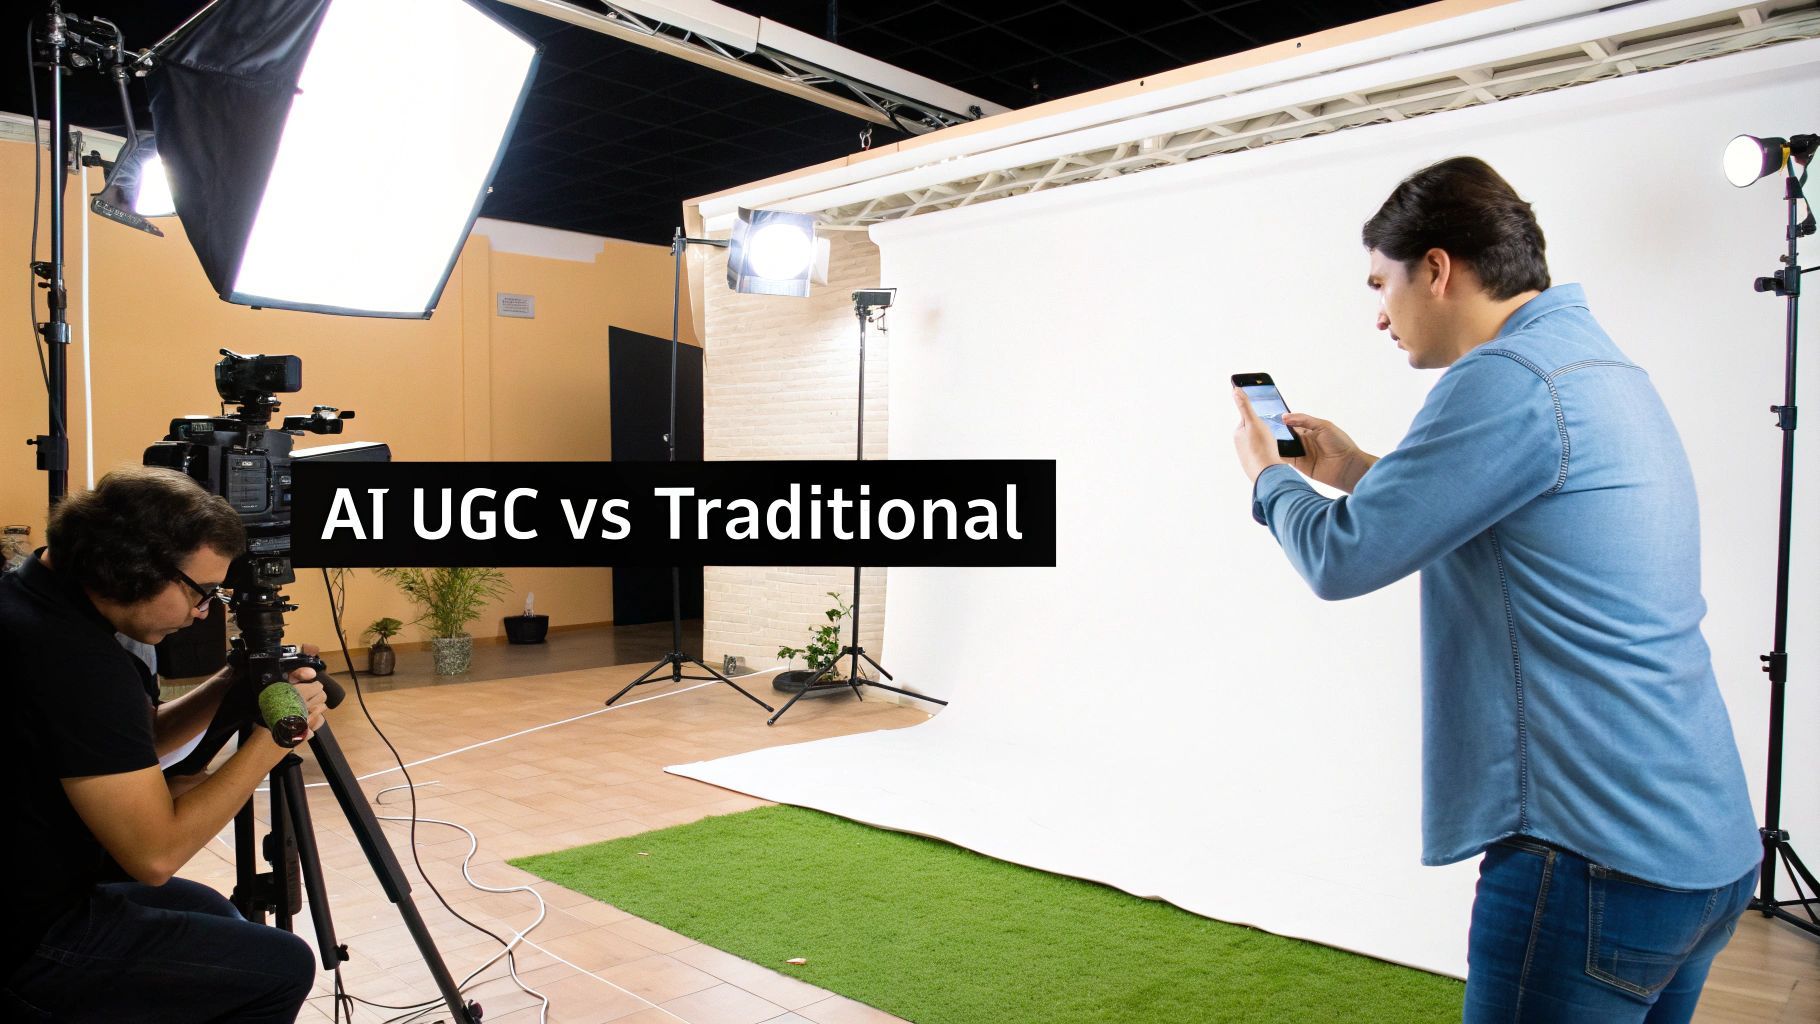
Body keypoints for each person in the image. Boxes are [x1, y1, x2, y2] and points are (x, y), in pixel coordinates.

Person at [1230, 157, 1761, 1023]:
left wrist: (1269, 477)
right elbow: (1511, 509)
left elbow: (1340, 559)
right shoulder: (1593, 365)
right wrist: (1353, 467)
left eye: (1382, 284)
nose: (1378, 314)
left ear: (1437, 269)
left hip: (1594, 858)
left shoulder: (1505, 378)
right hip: (1701, 851)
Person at [1, 466, 329, 1022]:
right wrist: (274, 741)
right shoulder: (77, 664)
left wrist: (229, 683)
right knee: (283, 966)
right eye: (201, 593)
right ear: (134, 567)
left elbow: (127, 747)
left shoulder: (30, 600)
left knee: (207, 907)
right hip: (29, 937)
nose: (204, 612)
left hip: (38, 878)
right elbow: (155, 855)